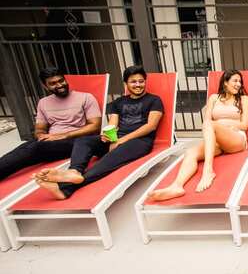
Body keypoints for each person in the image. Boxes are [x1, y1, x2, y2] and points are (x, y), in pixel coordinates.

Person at [34, 65, 163, 199]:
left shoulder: (154, 100)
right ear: (126, 84)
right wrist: (108, 137)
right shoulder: (118, 102)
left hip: (139, 142)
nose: (138, 85)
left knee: (106, 162)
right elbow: (113, 124)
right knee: (83, 140)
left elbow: (150, 126)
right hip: (117, 139)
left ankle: (65, 189)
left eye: (141, 81)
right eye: (133, 82)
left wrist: (121, 141)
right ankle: (74, 171)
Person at [148, 69, 248, 201]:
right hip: (217, 140)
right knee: (191, 152)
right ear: (225, 83)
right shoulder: (214, 98)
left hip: (236, 139)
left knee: (210, 125)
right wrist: (218, 125)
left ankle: (208, 171)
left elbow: (244, 125)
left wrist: (220, 123)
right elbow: (206, 121)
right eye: (235, 81)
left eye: (240, 82)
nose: (238, 84)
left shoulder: (244, 99)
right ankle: (176, 186)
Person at [0, 67, 101, 181]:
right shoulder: (43, 103)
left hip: (77, 142)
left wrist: (63, 136)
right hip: (51, 142)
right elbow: (40, 129)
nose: (59, 85)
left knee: (34, 148)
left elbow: (95, 126)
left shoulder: (86, 97)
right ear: (45, 86)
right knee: (24, 148)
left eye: (61, 81)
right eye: (53, 83)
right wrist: (41, 136)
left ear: (65, 80)